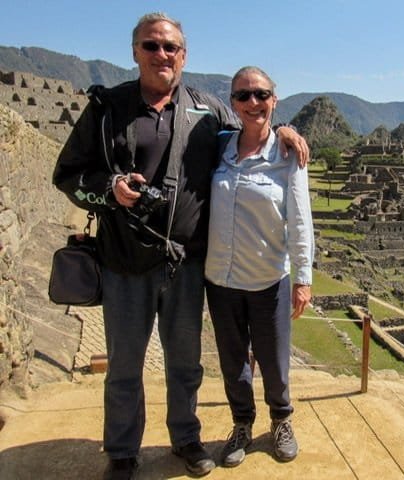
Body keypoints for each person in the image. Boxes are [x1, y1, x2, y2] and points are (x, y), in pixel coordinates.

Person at [52, 13, 308, 480]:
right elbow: (66, 176)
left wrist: (285, 129)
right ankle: (123, 451)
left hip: (187, 264)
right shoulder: (108, 109)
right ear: (135, 52)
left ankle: (186, 439)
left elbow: (253, 124)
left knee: (185, 363)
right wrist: (108, 189)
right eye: (151, 46)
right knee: (125, 365)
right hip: (124, 261)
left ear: (184, 55)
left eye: (171, 47)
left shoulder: (208, 110)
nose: (161, 54)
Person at [204, 66, 314, 468]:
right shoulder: (217, 146)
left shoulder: (288, 156)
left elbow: (301, 221)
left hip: (269, 278)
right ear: (233, 103)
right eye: (243, 96)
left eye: (261, 94)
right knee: (233, 360)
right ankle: (242, 425)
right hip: (220, 278)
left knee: (274, 359)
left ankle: (281, 420)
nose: (253, 103)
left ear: (274, 99)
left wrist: (303, 278)